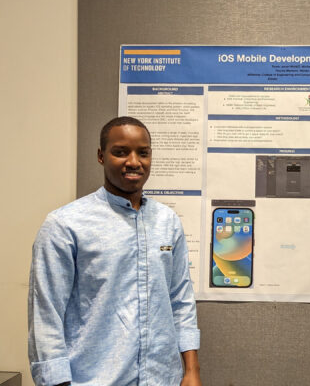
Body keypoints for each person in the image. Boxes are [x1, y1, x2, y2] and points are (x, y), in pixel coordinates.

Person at [28, 117, 202, 386]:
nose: (134, 162)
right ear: (101, 156)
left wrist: (191, 371)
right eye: (120, 152)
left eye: (142, 152)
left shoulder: (167, 221)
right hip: (93, 379)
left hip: (162, 379)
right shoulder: (64, 225)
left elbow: (180, 299)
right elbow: (46, 316)